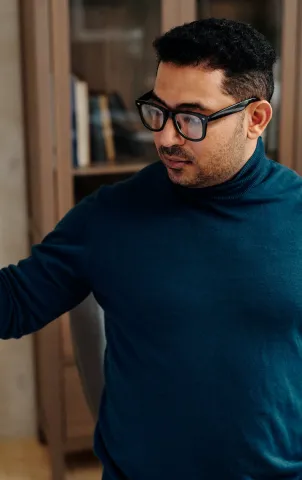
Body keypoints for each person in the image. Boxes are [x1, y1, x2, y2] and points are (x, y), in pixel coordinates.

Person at [0, 16, 301, 480]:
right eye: (158, 110)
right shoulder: (111, 215)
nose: (163, 137)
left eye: (191, 119)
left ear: (255, 118)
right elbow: (12, 303)